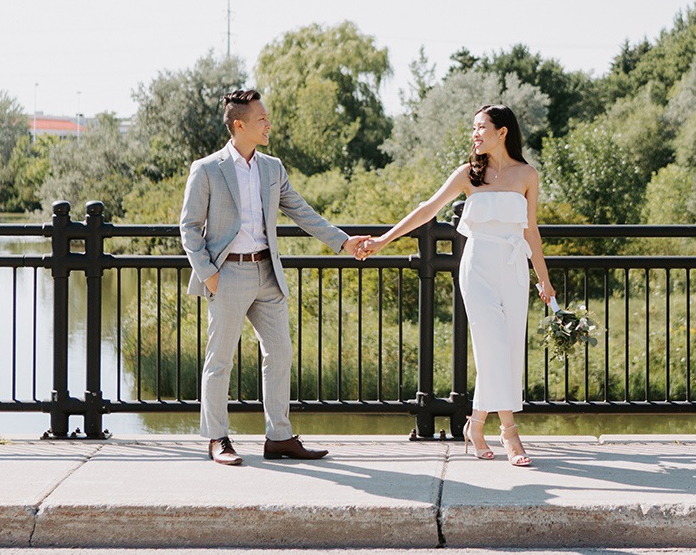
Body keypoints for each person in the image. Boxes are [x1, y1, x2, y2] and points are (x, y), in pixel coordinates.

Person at [179, 88, 370, 466]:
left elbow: (304, 213)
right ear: (239, 125)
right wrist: (209, 274)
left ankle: (279, 438)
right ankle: (218, 438)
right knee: (220, 360)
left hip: (268, 272)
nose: (269, 124)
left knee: (280, 353)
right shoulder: (207, 169)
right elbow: (188, 227)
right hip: (227, 273)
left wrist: (345, 242)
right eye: (262, 119)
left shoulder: (272, 168)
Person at [357, 104, 554, 466]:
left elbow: (531, 231)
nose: (475, 134)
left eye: (481, 127)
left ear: (502, 132)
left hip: (512, 268)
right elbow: (427, 209)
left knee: (508, 350)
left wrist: (543, 278)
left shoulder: (527, 175)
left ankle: (475, 425)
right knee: (492, 344)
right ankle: (509, 433)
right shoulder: (468, 175)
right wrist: (384, 240)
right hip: (477, 267)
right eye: (473, 128)